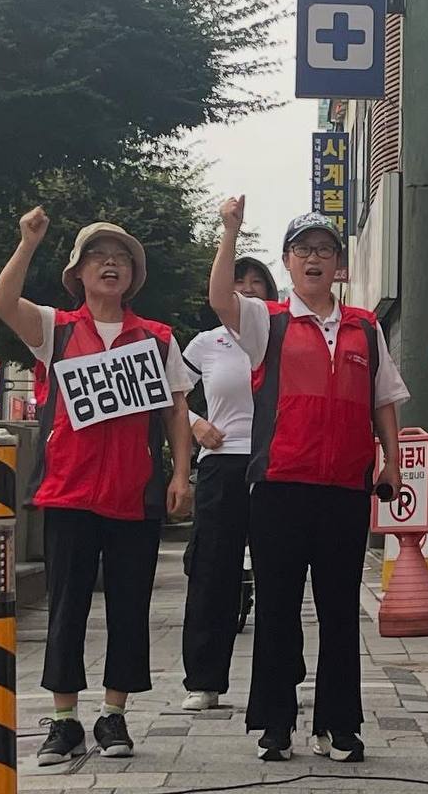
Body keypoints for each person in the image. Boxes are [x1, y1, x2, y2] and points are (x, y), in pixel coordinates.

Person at [0, 208, 194, 764]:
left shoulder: (156, 339)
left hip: (135, 495)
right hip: (69, 491)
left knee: (130, 607)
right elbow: (3, 304)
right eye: (98, 257)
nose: (111, 264)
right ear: (77, 273)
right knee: (67, 607)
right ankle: (63, 719)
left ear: (132, 276)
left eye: (121, 258)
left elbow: (178, 412)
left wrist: (180, 473)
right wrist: (28, 242)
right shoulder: (55, 329)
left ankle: (114, 715)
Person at [209, 198, 406, 764]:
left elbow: (385, 401)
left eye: (324, 250)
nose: (314, 259)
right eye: (303, 251)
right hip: (279, 486)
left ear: (339, 264)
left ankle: (338, 725)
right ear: (288, 262)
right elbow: (221, 296)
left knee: (341, 610)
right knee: (277, 606)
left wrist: (390, 462)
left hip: (344, 488)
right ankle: (275, 724)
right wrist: (230, 231)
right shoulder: (264, 320)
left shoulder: (365, 328)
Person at [178, 255, 277, 712]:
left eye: (259, 283)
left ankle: (278, 686)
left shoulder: (282, 335)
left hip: (276, 465)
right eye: (241, 282)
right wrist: (197, 424)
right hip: (222, 463)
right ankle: (204, 680)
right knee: (212, 571)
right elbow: (168, 391)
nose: (250, 290)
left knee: (280, 575)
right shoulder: (206, 343)